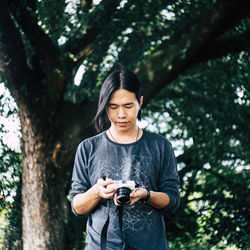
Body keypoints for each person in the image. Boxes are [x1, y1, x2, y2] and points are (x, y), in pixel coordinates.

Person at [71, 70, 180, 250]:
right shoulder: (87, 148)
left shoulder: (161, 146)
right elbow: (77, 206)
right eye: (113, 107)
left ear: (140, 102)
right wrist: (97, 192)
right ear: (105, 106)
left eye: (128, 106)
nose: (121, 114)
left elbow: (173, 201)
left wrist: (147, 195)